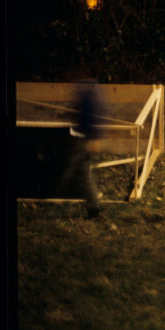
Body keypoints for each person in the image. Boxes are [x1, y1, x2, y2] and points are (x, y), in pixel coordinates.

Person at [57, 68, 106, 219]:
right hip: (80, 137)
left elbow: (96, 115)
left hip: (83, 139)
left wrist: (95, 138)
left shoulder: (90, 93)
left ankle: (57, 196)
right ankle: (94, 208)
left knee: (72, 170)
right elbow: (82, 114)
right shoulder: (86, 91)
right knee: (82, 173)